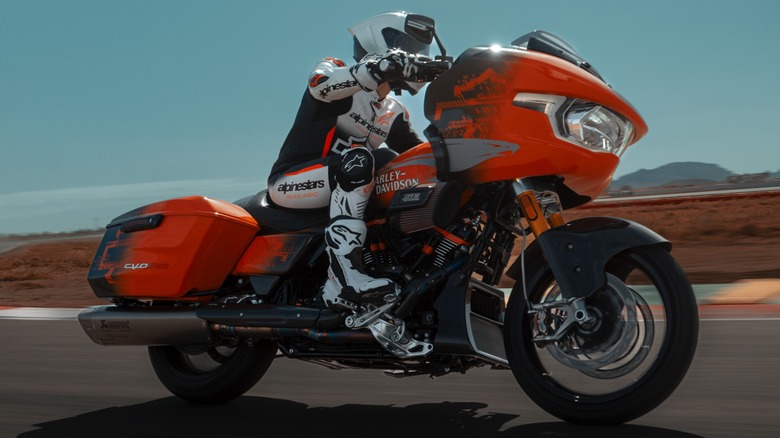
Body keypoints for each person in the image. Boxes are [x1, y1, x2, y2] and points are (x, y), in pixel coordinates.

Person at [267, 11, 436, 309]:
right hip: (291, 181)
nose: (414, 55)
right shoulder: (338, 71)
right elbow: (320, 84)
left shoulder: (393, 110)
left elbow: (419, 157)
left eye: (420, 50)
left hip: (341, 186)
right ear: (376, 40)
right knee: (361, 159)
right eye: (408, 46)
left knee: (396, 164)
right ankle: (342, 278)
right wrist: (375, 69)